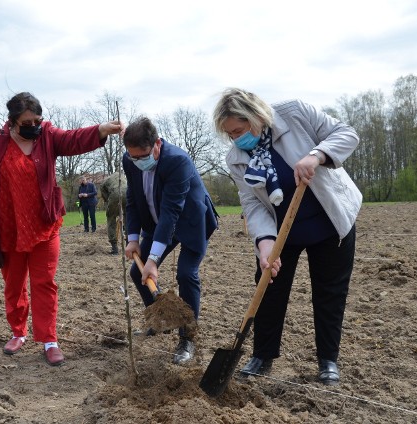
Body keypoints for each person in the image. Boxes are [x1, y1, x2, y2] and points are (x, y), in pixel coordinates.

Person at [0, 92, 122, 366]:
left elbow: (72, 140)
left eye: (37, 120)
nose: (34, 125)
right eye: (27, 122)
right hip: (7, 228)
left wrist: (101, 130)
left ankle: (49, 339)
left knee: (44, 282)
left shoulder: (47, 135)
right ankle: (18, 332)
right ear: (12, 122)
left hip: (44, 226)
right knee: (13, 283)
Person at [213, 88, 361, 385]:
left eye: (239, 130)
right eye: (230, 135)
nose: (236, 139)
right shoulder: (237, 158)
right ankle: (262, 356)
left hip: (329, 222)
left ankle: (327, 360)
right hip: (282, 231)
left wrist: (317, 155)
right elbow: (252, 203)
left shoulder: (294, 113)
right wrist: (264, 242)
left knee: (329, 293)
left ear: (256, 116)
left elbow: (347, 134)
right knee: (268, 290)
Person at [122, 116, 218, 365]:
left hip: (189, 221)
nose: (137, 161)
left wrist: (153, 259)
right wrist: (133, 238)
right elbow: (132, 199)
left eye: (142, 156)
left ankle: (187, 338)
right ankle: (158, 320)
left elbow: (172, 211)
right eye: (133, 157)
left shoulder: (178, 161)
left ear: (157, 144)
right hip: (157, 223)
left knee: (186, 274)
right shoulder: (130, 159)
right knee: (137, 272)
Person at [100, 171, 127, 254]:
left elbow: (105, 196)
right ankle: (130, 242)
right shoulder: (123, 177)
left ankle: (114, 247)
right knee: (128, 217)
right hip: (127, 192)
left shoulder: (106, 180)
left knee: (111, 217)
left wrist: (110, 206)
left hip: (115, 193)